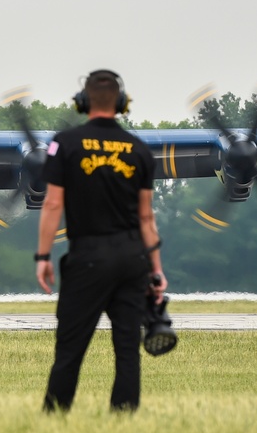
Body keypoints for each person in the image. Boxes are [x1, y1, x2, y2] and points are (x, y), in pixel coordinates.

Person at [35, 69, 168, 413]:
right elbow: (146, 218)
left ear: (83, 102)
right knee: (127, 347)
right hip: (132, 260)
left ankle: (54, 416)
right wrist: (156, 270)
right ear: (122, 104)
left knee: (70, 348)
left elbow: (52, 203)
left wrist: (43, 255)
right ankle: (122, 419)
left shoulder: (64, 144)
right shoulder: (139, 150)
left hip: (88, 257)